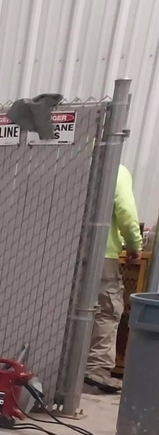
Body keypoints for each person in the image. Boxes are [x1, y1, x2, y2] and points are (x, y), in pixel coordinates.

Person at [85, 164, 143, 393]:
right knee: (106, 310)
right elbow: (125, 211)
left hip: (65, 252)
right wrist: (134, 244)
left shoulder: (70, 159)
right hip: (102, 252)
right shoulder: (115, 169)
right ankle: (96, 369)